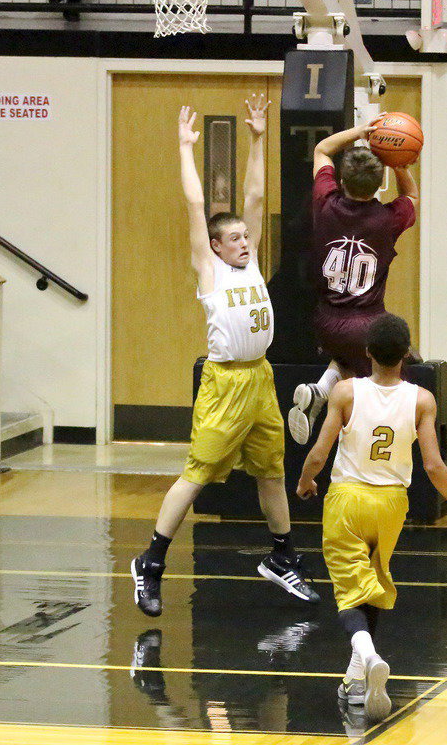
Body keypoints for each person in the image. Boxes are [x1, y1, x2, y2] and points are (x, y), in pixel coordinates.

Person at [131, 96, 318, 618]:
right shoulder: (211, 271)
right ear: (214, 247)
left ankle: (282, 557)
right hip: (225, 383)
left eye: (245, 236)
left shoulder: (251, 264)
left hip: (260, 379)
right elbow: (195, 206)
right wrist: (184, 148)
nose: (244, 242)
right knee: (196, 475)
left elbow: (255, 195)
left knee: (272, 472)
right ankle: (151, 562)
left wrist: (258, 138)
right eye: (233, 238)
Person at [296, 313, 447, 721]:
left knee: (349, 593)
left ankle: (368, 656)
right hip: (393, 503)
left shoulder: (345, 392)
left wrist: (306, 480)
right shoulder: (422, 400)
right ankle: (355, 682)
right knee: (374, 584)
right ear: (407, 354)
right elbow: (433, 466)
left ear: (367, 352)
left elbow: (319, 453)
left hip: (348, 499)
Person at [287, 120, 419, 445]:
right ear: (379, 182)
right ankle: (345, 439)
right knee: (396, 381)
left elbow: (322, 149)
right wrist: (399, 163)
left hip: (325, 321)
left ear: (342, 180)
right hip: (368, 325)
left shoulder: (324, 203)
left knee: (344, 359)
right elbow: (411, 195)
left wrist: (360, 132)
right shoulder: (389, 219)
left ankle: (320, 391)